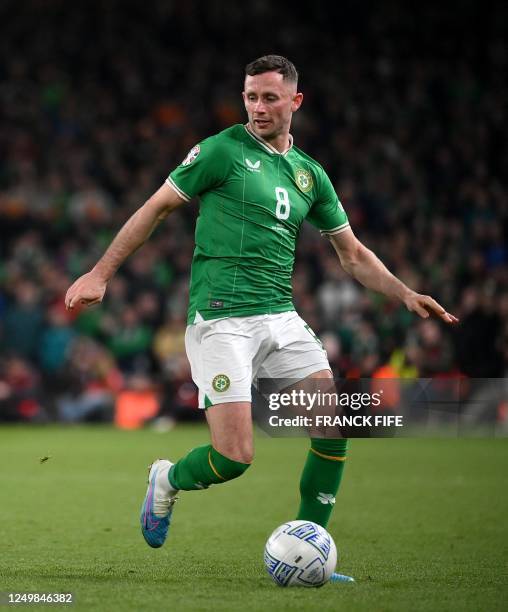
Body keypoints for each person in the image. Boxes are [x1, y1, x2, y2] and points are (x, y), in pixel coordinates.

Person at [65, 55, 458, 582]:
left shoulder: (309, 175)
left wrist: (406, 293)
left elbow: (354, 255)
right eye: (251, 96)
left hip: (280, 316)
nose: (257, 107)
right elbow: (156, 207)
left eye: (270, 97)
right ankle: (167, 479)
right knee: (234, 457)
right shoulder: (221, 151)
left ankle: (309, 550)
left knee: (333, 425)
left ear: (295, 102)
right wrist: (100, 273)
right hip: (221, 320)